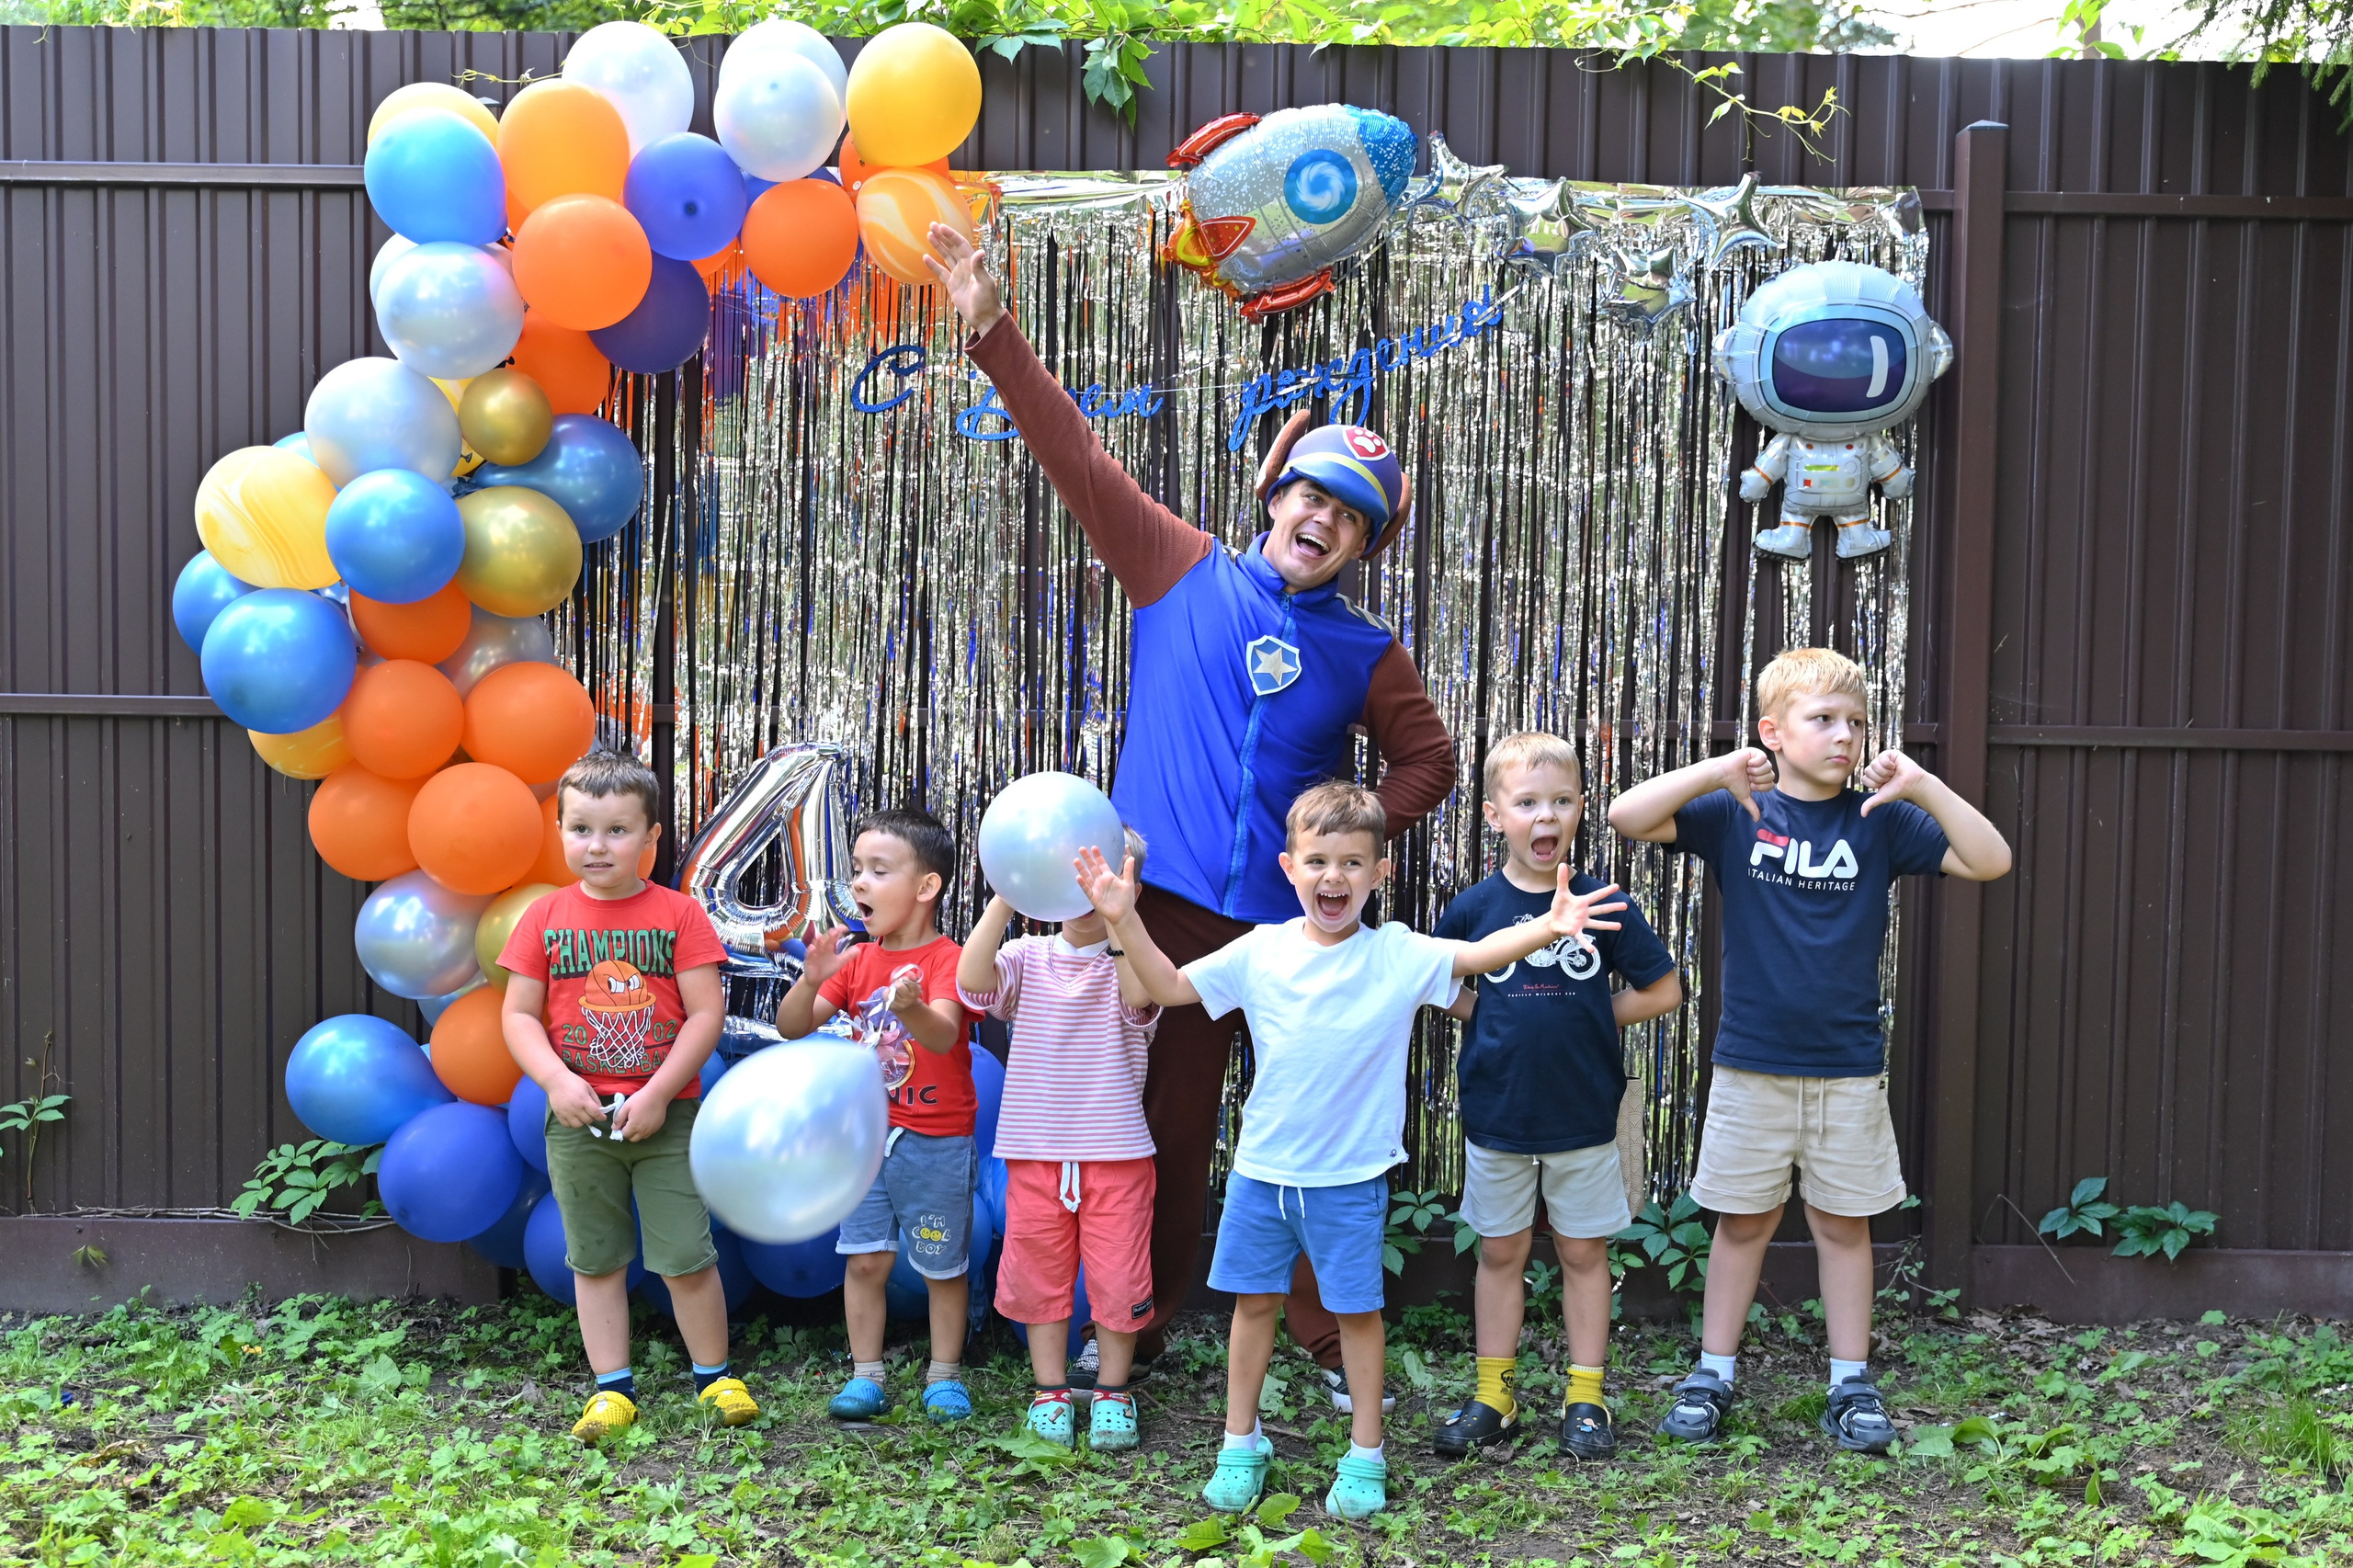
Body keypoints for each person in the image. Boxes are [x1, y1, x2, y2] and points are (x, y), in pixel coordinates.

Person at [925, 222, 1456, 1408]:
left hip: (1289, 935)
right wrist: (993, 333)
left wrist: (1354, 843)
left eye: (1351, 513)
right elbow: (1076, 460)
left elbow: (1430, 758)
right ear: (1275, 495)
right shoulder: (1178, 564)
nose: (1321, 517)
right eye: (1310, 491)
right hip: (1148, 921)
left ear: (1366, 543)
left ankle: (1325, 1340)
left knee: (1319, 1127)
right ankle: (1138, 1327)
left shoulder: (1369, 648)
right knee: (1151, 1130)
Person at [1075, 782, 1628, 1520]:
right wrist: (1124, 919)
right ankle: (1241, 1442)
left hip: (1350, 1181)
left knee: (1357, 1314)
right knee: (1254, 1307)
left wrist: (1546, 928)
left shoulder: (1396, 955)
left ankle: (1365, 1451)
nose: (1333, 877)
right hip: (1261, 1175)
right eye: (1318, 861)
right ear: (1289, 867)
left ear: (1379, 874)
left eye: (1351, 863)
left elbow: (1477, 954)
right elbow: (1171, 988)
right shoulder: (1261, 950)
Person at [1608, 648, 2012, 1453]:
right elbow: (1628, 814)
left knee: (1844, 1226)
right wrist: (1722, 769)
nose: (1844, 737)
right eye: (1823, 720)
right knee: (1743, 1224)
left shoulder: (1880, 820)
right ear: (1772, 733)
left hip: (1847, 1070)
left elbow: (1990, 859)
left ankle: (1849, 1382)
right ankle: (1713, 1374)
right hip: (1751, 1063)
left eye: (1856, 723)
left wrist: (1923, 785)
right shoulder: (1735, 813)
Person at [1429, 733, 1683, 1462]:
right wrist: (1490, 1014)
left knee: (1581, 1252)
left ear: (1580, 810)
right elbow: (1436, 979)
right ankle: (1494, 1396)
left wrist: (1591, 1012)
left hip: (1582, 1115)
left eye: (1563, 801)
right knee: (1501, 1251)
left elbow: (1665, 989)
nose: (1547, 816)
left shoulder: (1605, 905)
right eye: (1529, 802)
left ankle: (1585, 1397)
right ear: (1494, 815)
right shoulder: (1476, 908)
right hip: (1498, 1112)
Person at [499, 748, 756, 1445]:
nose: (597, 845)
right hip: (577, 1121)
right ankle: (612, 1391)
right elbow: (519, 1016)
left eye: (617, 830)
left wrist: (660, 1092)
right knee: (596, 1258)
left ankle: (716, 1377)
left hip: (668, 1119)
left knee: (686, 1256)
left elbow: (706, 1016)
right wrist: (555, 1080)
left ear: (651, 838)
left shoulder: (679, 915)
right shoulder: (544, 918)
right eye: (581, 828)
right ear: (559, 831)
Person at [776, 807, 983, 1425]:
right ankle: (866, 1375)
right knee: (865, 1259)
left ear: (926, 887)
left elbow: (944, 1036)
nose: (859, 883)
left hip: (937, 1140)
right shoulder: (859, 961)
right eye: (857, 869)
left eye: (878, 870)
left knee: (942, 1265)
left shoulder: (949, 958)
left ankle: (944, 1375)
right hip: (865, 1139)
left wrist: (912, 1007)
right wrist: (810, 980)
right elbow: (792, 1028)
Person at [956, 825, 1159, 1452]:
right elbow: (972, 982)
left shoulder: (1136, 959)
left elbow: (1141, 998)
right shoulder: (1026, 956)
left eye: (1099, 877)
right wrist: (1007, 893)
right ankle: (1048, 1391)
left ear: (1129, 885)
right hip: (1036, 1155)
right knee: (1040, 1277)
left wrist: (1120, 924)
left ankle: (1112, 1392)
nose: (1082, 891)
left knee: (1118, 1280)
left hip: (1117, 1156)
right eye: (1068, 876)